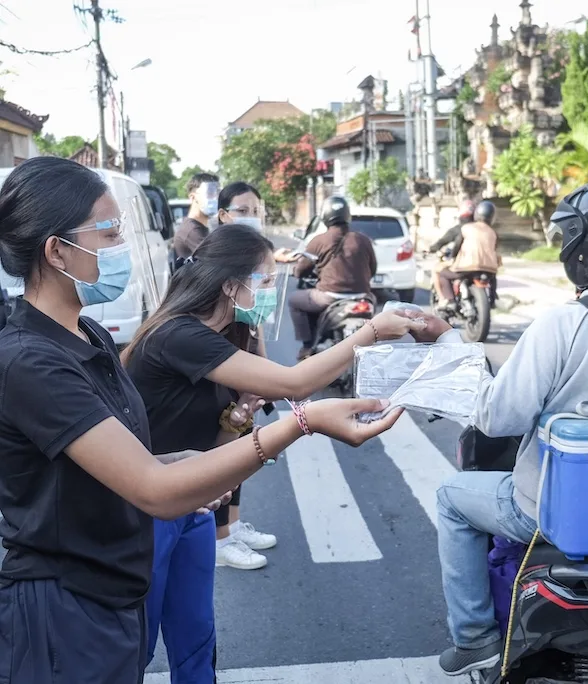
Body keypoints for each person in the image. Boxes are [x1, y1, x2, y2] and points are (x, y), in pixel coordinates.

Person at [0, 156, 413, 684]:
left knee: (192, 640)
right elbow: (154, 490)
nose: (123, 248)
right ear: (57, 250)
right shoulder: (32, 360)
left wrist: (185, 458)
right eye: (109, 235)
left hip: (112, 586)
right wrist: (301, 423)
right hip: (63, 605)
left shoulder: (91, 337)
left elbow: (124, 458)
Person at [418, 178, 588, 677]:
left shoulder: (564, 324)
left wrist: (452, 347)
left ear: (587, 248)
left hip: (557, 513)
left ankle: (475, 637)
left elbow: (496, 417)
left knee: (451, 497)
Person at [121, 224, 424, 683]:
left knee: (195, 633)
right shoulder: (179, 336)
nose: (269, 291)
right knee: (137, 644)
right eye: (263, 280)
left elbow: (220, 443)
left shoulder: (227, 337)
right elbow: (295, 385)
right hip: (149, 508)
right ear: (229, 284)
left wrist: (236, 422)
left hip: (194, 504)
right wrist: (372, 330)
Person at [211, 181, 277, 570]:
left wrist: (265, 371)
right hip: (222, 369)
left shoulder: (253, 257)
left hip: (243, 371)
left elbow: (256, 325)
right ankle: (220, 540)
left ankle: (232, 529)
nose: (251, 218)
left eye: (256, 210)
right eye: (242, 210)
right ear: (222, 215)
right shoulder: (216, 260)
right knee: (223, 452)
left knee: (239, 447)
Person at [289, 195, 377, 359]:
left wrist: (296, 271)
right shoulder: (363, 240)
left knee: (294, 300)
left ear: (325, 217)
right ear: (347, 215)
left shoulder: (319, 241)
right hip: (362, 297)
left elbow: (301, 270)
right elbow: (373, 269)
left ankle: (307, 346)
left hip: (329, 297)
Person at [436, 200, 500, 311]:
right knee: (493, 277)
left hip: (466, 267)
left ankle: (450, 300)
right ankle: (493, 299)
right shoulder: (493, 233)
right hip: (490, 269)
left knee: (441, 274)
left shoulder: (466, 228)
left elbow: (457, 246)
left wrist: (452, 256)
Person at [427, 200, 475, 302]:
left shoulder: (460, 229)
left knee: (437, 270)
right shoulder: (480, 229)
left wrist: (431, 249)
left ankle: (445, 299)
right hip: (482, 265)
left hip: (463, 265)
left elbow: (443, 242)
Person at [173, 172, 220, 260]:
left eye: (217, 193)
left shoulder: (200, 227)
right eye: (210, 193)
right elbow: (217, 260)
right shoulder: (192, 230)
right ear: (193, 197)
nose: (215, 198)